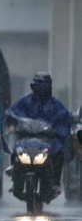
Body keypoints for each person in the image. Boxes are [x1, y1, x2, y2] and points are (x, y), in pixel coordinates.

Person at [5, 71, 73, 200]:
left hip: (48, 140)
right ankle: (16, 181)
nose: (39, 90)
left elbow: (64, 116)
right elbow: (13, 112)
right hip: (26, 138)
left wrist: (61, 126)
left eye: (42, 87)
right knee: (16, 152)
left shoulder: (55, 105)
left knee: (58, 154)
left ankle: (54, 183)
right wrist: (12, 120)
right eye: (37, 87)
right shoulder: (25, 102)